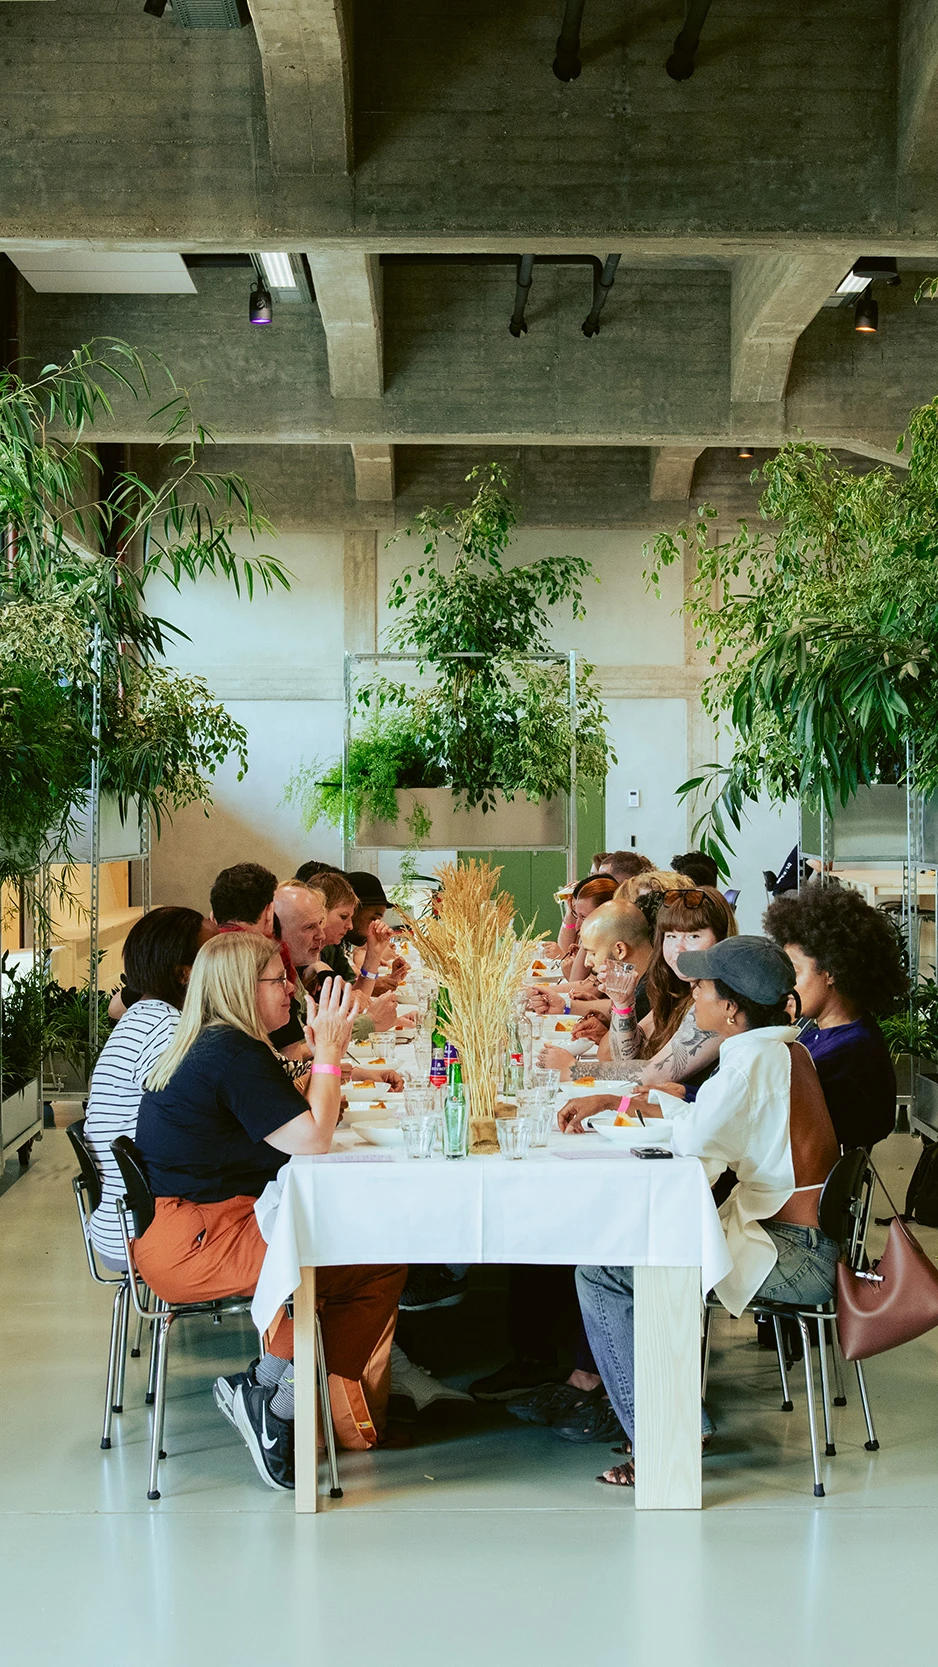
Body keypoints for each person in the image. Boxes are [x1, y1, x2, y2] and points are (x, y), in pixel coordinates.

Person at [133, 934, 407, 1490]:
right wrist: (329, 1053)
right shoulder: (231, 1054)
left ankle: (265, 1389)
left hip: (194, 1224)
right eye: (277, 980)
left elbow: (295, 1110)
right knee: (371, 1261)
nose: (290, 989)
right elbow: (313, 1138)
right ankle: (279, 1409)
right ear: (242, 987)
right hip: (198, 1240)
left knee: (351, 1256)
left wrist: (325, 1063)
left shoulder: (219, 1043)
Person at [576, 935, 840, 1488]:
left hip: (789, 1256)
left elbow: (698, 1148)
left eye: (702, 987)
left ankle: (662, 1440)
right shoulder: (779, 1049)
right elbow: (706, 1126)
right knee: (644, 1259)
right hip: (803, 1243)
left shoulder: (748, 1063)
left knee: (602, 1272)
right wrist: (631, 1103)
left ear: (732, 1008)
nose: (693, 995)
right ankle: (677, 1420)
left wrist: (628, 1110)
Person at [83, 907, 216, 1268]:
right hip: (144, 1231)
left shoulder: (140, 1018)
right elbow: (202, 1125)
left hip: (120, 1221)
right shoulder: (166, 1030)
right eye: (213, 952)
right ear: (184, 974)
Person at [548, 886, 738, 1109]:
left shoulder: (721, 999)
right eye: (671, 936)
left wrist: (573, 1071)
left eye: (693, 936)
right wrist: (622, 1004)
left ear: (721, 939)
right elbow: (625, 1058)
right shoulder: (679, 988)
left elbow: (654, 1074)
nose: (678, 948)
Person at [764, 886, 906, 1151]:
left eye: (794, 971)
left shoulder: (849, 1054)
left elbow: (765, 1114)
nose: (785, 983)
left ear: (832, 973)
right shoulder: (834, 1035)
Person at [557, 875, 619, 982]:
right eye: (576, 915)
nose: (577, 926)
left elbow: (577, 983)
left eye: (584, 917)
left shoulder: (613, 947)